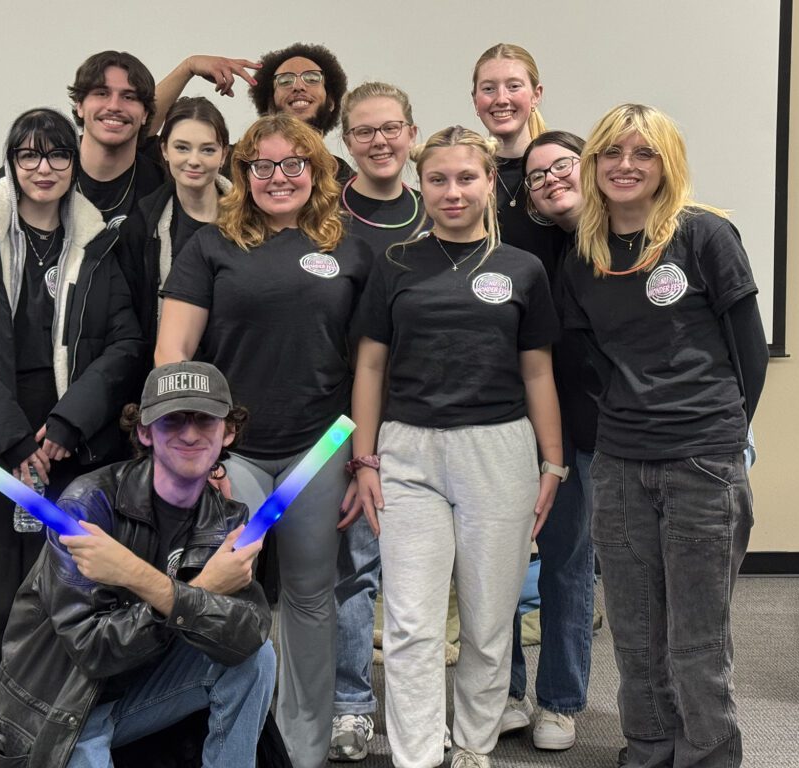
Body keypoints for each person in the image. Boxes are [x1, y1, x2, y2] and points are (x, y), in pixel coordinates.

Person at [0, 107, 143, 768]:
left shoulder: (99, 240)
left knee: (67, 597)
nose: (43, 168)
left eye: (57, 156)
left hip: (73, 446)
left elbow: (125, 344)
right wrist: (17, 442)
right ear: (12, 163)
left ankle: (50, 734)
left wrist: (64, 428)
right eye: (29, 155)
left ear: (74, 165)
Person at [155, 113, 373, 768]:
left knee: (310, 598)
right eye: (262, 166)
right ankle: (221, 739)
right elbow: (174, 350)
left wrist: (363, 458)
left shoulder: (351, 247)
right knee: (222, 592)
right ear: (243, 175)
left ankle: (301, 749)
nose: (278, 178)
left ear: (317, 171)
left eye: (293, 165)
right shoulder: (211, 245)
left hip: (319, 449)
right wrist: (197, 449)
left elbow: (368, 360)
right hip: (234, 453)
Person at [349, 125, 564, 768]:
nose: (452, 191)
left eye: (466, 178)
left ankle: (473, 743)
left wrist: (552, 462)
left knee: (490, 617)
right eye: (437, 179)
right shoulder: (394, 266)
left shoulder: (522, 269)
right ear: (420, 185)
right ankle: (417, 753)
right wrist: (364, 458)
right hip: (407, 451)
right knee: (412, 621)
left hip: (498, 452)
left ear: (491, 184)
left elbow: (539, 372)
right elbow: (369, 368)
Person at [561, 103, 768, 768]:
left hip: (701, 462)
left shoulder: (704, 236)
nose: (625, 166)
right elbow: (588, 357)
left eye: (642, 153)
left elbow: (749, 351)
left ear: (666, 164)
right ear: (593, 165)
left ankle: (708, 755)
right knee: (634, 630)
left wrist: (725, 434)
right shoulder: (584, 256)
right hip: (621, 464)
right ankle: (650, 747)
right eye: (611, 154)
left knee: (697, 636)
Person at [0, 361, 276, 768]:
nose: (189, 434)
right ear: (144, 432)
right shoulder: (87, 506)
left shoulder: (226, 519)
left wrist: (141, 577)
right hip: (65, 705)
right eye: (172, 420)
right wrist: (198, 592)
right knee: (85, 733)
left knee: (256, 659)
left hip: (141, 687)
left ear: (227, 432)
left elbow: (247, 633)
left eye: (204, 420)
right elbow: (93, 652)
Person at [481, 130, 599, 751]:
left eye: (563, 167)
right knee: (498, 561)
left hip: (581, 423)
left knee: (567, 561)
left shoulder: (613, 237)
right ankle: (503, 694)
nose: (551, 180)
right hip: (506, 418)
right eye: (537, 176)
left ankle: (559, 700)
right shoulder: (511, 242)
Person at [328, 80, 425, 763]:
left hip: (428, 416)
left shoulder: (443, 207)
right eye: (365, 131)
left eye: (392, 128)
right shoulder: (322, 219)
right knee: (354, 569)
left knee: (421, 572)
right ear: (345, 142)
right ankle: (351, 704)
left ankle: (419, 709)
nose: (381, 141)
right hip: (345, 417)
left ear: (412, 134)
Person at [117, 96, 232, 373]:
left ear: (224, 154)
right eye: (182, 147)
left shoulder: (252, 222)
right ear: (164, 150)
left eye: (207, 150)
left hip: (239, 376)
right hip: (166, 382)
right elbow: (131, 326)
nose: (194, 161)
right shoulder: (140, 228)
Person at [149, 44, 353, 182]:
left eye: (312, 78)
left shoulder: (344, 180)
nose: (298, 86)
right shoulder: (234, 163)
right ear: (270, 105)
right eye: (285, 80)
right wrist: (188, 67)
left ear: (332, 102)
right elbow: (141, 133)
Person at [471, 43, 568, 267]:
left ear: (536, 95)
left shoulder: (565, 168)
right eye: (488, 89)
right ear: (475, 100)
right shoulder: (468, 178)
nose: (501, 99)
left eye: (514, 86)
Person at [68, 50, 166, 228]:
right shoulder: (38, 173)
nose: (114, 106)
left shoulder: (163, 187)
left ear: (145, 113)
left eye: (128, 97)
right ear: (80, 105)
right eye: (101, 93)